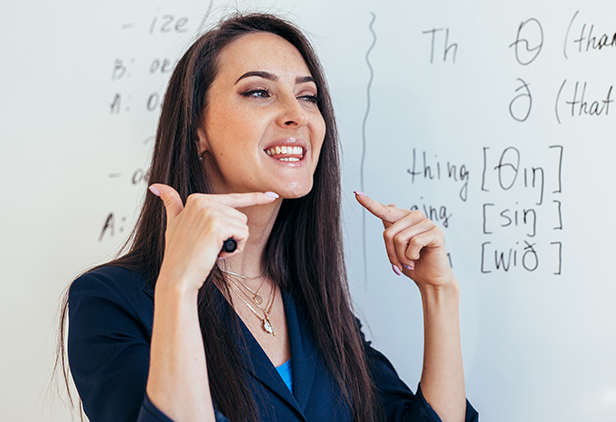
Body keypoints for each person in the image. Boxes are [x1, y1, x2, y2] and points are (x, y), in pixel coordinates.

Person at [63, 12, 478, 422]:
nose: (295, 114)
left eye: (308, 96)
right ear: (196, 129)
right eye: (259, 92)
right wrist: (180, 286)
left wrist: (439, 292)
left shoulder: (317, 305)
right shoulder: (110, 301)